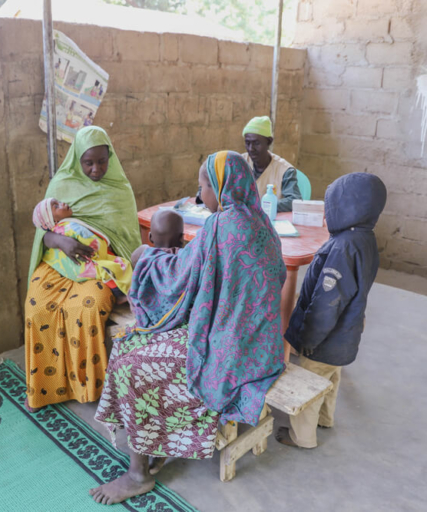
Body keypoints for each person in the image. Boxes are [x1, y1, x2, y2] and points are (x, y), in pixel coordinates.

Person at [89, 151, 286, 505]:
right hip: (262, 344)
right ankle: (156, 440)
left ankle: (137, 475)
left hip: (230, 352)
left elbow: (179, 277)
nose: (199, 196)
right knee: (132, 345)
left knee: (130, 363)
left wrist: (145, 257)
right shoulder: (261, 222)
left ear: (222, 187)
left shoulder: (221, 227)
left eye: (203, 186)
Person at [24, 126, 141, 411]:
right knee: (37, 307)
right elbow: (43, 230)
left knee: (87, 308)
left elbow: (125, 238)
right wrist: (61, 241)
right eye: (88, 162)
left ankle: (86, 388)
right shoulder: (61, 185)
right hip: (57, 261)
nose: (96, 169)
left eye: (102, 161)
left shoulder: (119, 189)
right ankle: (45, 388)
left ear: (109, 157)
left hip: (97, 264)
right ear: (77, 159)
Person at [277, 172, 387, 449]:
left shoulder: (342, 248)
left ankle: (301, 436)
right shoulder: (365, 239)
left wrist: (308, 340)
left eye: (331, 205)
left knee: (310, 383)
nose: (328, 212)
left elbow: (328, 303)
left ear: (349, 208)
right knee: (331, 377)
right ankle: (325, 419)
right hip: (346, 335)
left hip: (325, 338)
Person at [31, 197, 133, 299]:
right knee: (114, 268)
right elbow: (90, 242)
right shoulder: (69, 227)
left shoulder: (59, 229)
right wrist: (102, 245)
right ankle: (122, 293)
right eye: (56, 206)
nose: (63, 203)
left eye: (60, 201)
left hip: (81, 270)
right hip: (86, 263)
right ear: (53, 220)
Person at [242, 115, 303, 212]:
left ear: (269, 142)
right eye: (247, 143)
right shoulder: (240, 163)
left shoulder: (284, 170)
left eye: (256, 143)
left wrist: (261, 206)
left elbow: (294, 201)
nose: (251, 149)